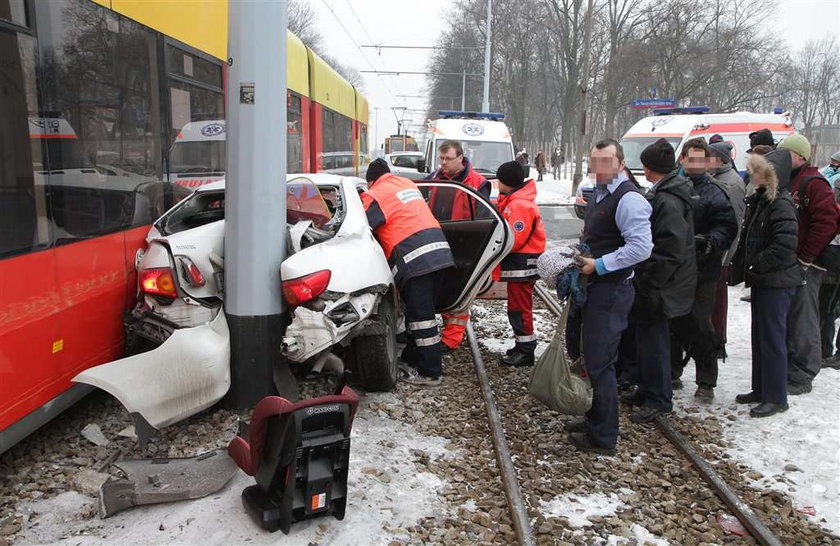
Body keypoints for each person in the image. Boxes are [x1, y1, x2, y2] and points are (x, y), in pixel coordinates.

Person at [565, 138, 652, 455]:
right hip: (597, 288)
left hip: (612, 290)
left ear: (620, 163)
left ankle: (603, 437)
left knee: (601, 363)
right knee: (590, 357)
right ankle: (593, 420)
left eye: (605, 162)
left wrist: (599, 264)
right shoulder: (602, 192)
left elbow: (641, 248)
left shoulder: (629, 199)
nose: (598, 168)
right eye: (594, 161)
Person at [362, 158, 455, 386]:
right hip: (440, 252)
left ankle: (430, 372)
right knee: (421, 314)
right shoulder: (407, 184)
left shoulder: (374, 195)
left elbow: (361, 227)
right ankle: (412, 359)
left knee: (421, 320)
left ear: (371, 181)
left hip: (415, 259)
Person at [627, 139, 697, 423]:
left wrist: (649, 281)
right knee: (647, 338)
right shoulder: (669, 192)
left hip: (663, 285)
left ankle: (658, 398)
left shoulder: (667, 200)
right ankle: (647, 388)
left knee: (655, 341)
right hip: (665, 282)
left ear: (648, 167)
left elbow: (670, 249)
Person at [729, 151, 801, 417]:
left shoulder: (780, 203)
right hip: (765, 280)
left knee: (772, 339)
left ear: (771, 175)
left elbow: (785, 245)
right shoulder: (762, 200)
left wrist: (756, 264)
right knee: (761, 337)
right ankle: (761, 389)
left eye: (757, 170)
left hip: (777, 281)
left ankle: (775, 396)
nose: (751, 174)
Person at [670, 138, 737, 402]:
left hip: (703, 269)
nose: (696, 164)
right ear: (683, 159)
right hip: (675, 268)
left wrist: (710, 241)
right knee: (672, 320)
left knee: (700, 323)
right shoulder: (674, 187)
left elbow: (728, 226)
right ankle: (672, 371)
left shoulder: (715, 192)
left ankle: (706, 380)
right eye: (691, 158)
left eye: (701, 159)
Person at [778, 134, 839, 394]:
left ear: (800, 157)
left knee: (804, 317)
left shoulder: (813, 183)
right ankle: (790, 367)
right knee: (792, 317)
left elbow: (827, 222)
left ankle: (803, 373)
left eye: (786, 154)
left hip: (807, 265)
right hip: (790, 262)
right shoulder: (789, 180)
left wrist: (806, 257)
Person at [427, 140, 491, 353]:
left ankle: (452, 338)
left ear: (460, 158)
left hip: (464, 244)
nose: (443, 163)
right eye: (441, 158)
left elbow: (484, 218)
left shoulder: (478, 183)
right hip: (437, 239)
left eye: (447, 159)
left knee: (459, 291)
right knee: (442, 288)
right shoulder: (435, 178)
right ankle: (448, 332)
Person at [492, 161, 546, 367]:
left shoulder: (519, 205)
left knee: (520, 308)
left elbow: (514, 238)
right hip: (521, 263)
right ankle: (522, 345)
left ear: (506, 182)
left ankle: (525, 351)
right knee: (517, 306)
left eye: (499, 180)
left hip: (522, 264)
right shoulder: (516, 201)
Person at [708, 141, 746, 359]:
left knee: (718, 303)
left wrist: (726, 256)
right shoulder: (718, 179)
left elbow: (735, 223)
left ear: (721, 159)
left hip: (721, 255)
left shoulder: (731, 183)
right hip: (716, 253)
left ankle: (718, 342)